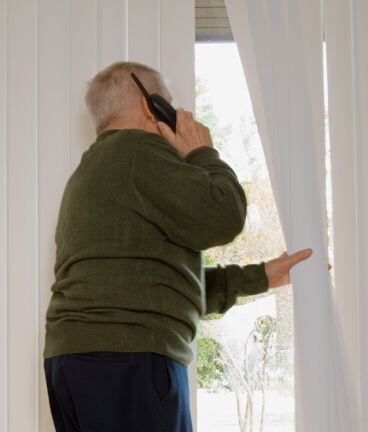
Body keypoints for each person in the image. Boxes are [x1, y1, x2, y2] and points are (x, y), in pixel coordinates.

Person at [42, 61, 320, 432]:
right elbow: (223, 215)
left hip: (77, 362)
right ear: (149, 104)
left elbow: (158, 284)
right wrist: (202, 152)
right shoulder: (138, 151)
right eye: (168, 102)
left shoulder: (92, 173)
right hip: (129, 360)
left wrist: (260, 277)